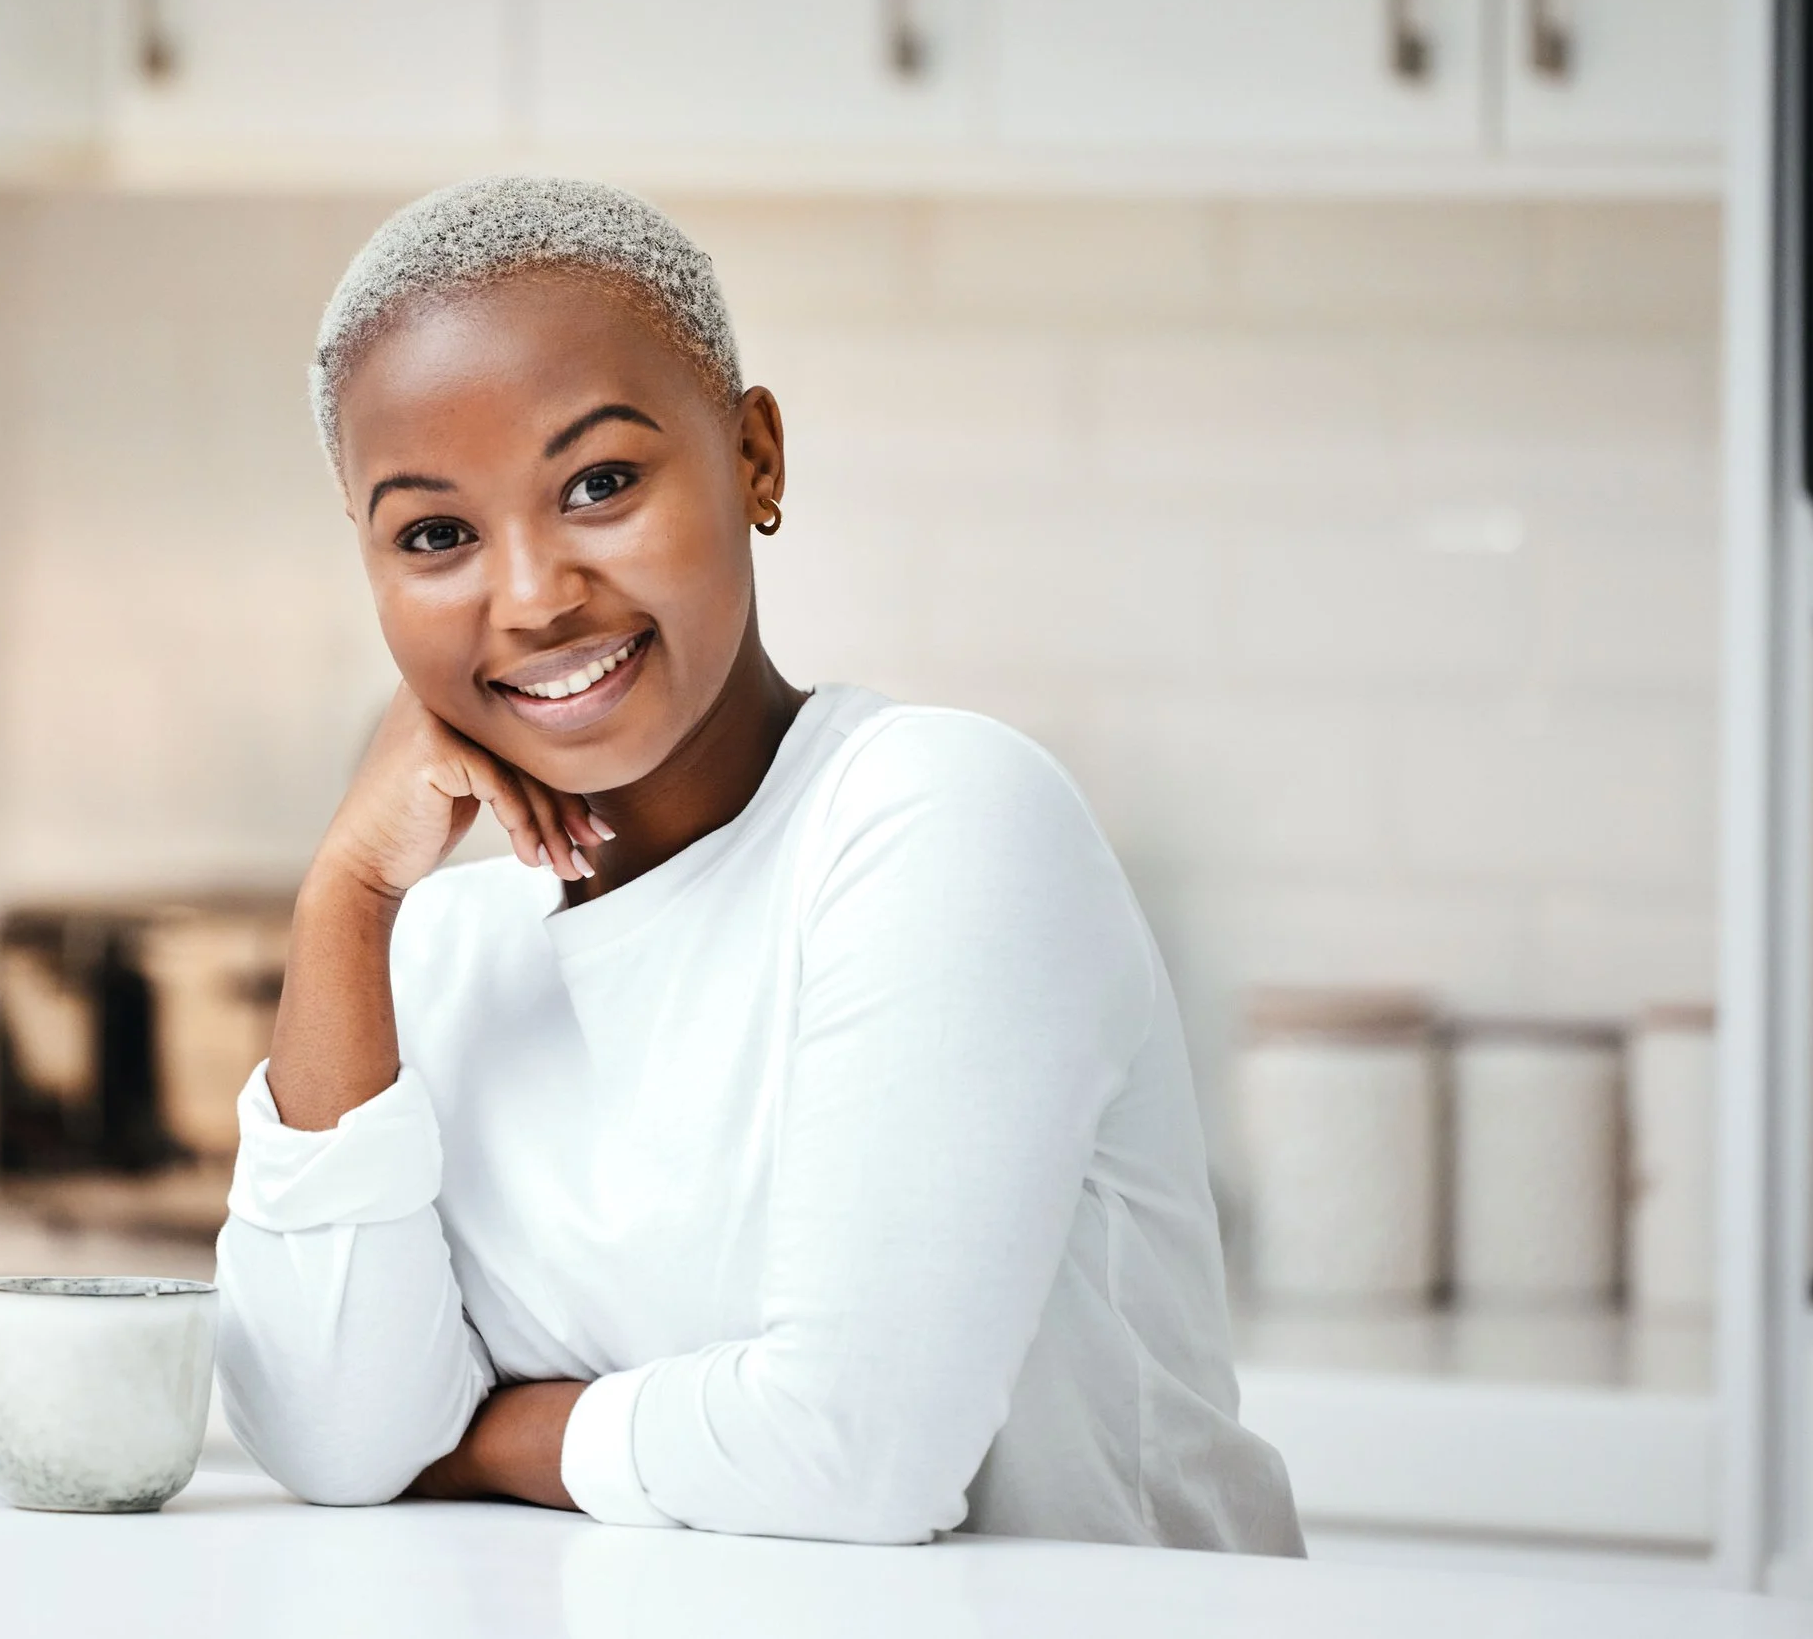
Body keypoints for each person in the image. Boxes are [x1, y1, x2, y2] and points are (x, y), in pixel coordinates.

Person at [215, 176, 1302, 1553]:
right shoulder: (440, 953)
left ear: (755, 459)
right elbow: (330, 1435)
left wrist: (478, 1438)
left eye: (601, 482)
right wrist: (345, 905)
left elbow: (851, 1457)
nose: (536, 594)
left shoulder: (935, 815)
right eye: (436, 534)